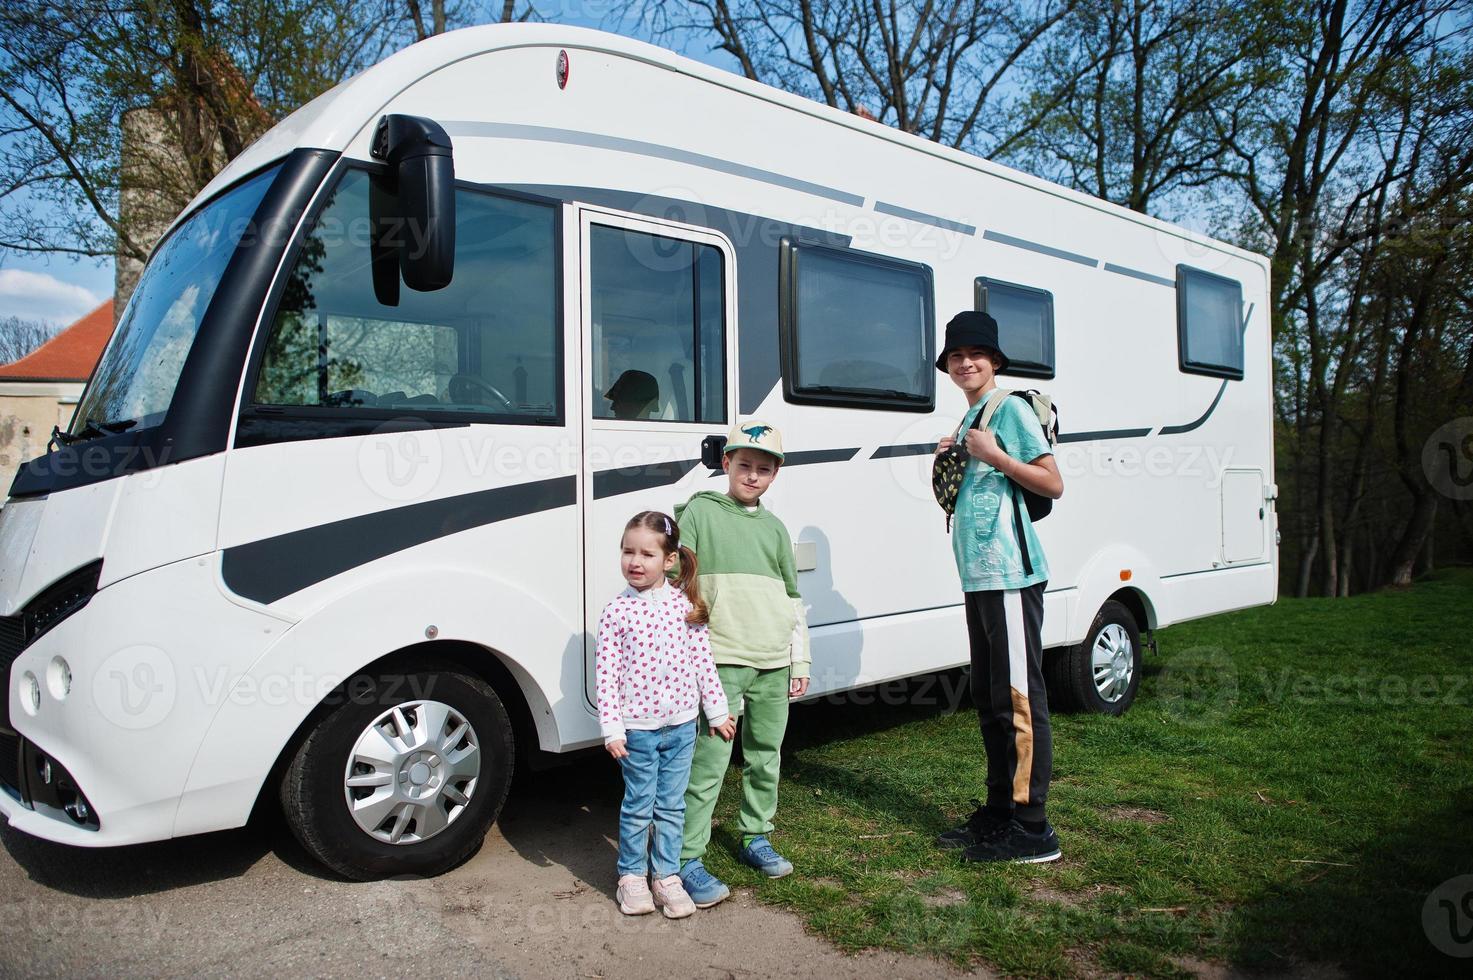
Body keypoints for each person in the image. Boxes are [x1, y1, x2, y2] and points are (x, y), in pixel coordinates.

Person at [932, 311, 1066, 863]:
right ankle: (998, 810)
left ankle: (1033, 827)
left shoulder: (1008, 409)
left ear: (994, 361)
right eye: (956, 356)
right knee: (989, 696)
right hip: (980, 577)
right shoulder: (969, 420)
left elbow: (1052, 483)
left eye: (975, 354)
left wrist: (996, 457)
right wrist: (956, 455)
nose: (966, 362)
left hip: (1011, 576)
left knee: (1019, 698)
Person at [675, 421, 810, 906]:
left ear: (775, 475)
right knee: (708, 762)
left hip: (774, 659)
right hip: (722, 658)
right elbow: (676, 572)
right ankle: (687, 856)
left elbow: (792, 597)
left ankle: (756, 834)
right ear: (726, 464)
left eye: (764, 469)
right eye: (744, 465)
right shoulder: (699, 511)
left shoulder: (775, 528)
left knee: (765, 756)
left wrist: (799, 660)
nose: (753, 476)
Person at [596, 511, 736, 918]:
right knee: (639, 803)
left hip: (681, 727)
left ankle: (667, 876)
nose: (635, 562)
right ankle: (632, 876)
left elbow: (703, 661)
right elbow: (606, 676)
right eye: (627, 552)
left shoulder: (684, 604)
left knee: (672, 806)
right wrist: (612, 728)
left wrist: (717, 711)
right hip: (637, 731)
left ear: (669, 560)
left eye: (646, 554)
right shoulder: (616, 612)